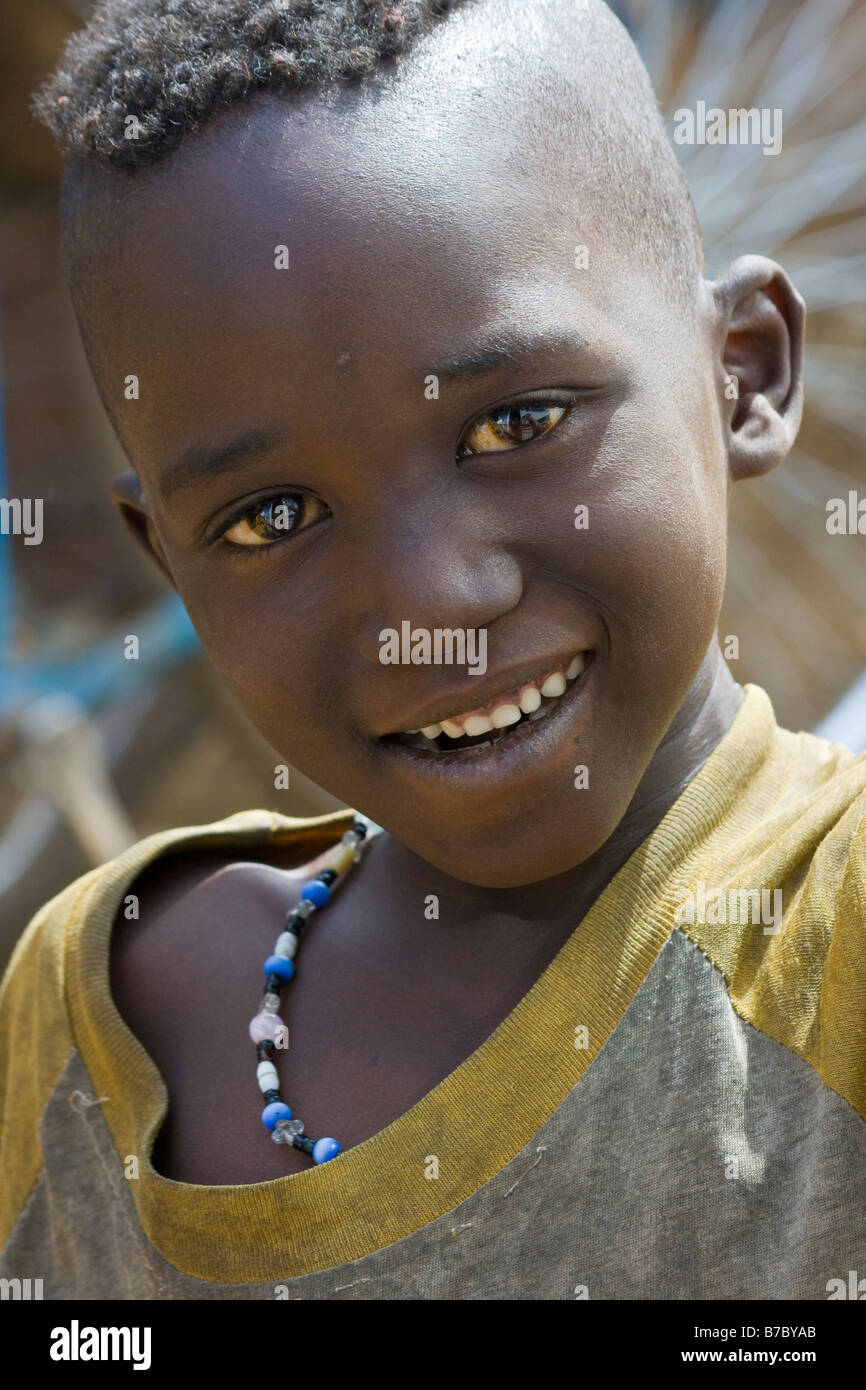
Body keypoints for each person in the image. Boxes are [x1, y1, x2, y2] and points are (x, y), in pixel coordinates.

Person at [1, 0, 864, 1300]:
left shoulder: (832, 935)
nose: (426, 601)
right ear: (166, 553)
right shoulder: (100, 999)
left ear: (740, 374)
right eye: (271, 515)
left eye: (515, 423)